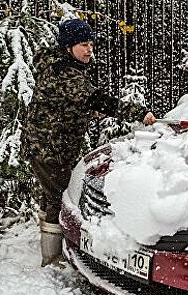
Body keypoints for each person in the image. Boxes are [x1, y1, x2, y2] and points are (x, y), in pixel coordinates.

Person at [21, 19, 156, 266]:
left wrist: (82, 111)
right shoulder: (66, 72)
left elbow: (65, 103)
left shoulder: (57, 65)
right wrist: (140, 113)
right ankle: (51, 257)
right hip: (51, 148)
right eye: (83, 44)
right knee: (58, 197)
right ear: (68, 46)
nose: (89, 49)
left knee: (49, 192)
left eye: (91, 44)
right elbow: (98, 100)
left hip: (42, 143)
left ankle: (46, 238)